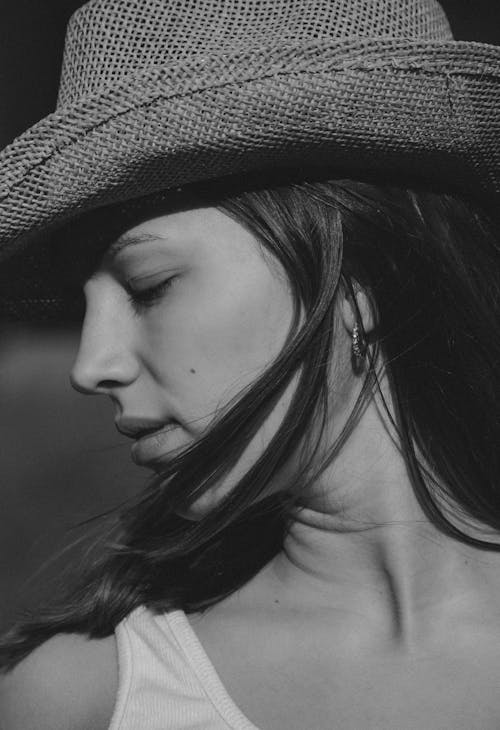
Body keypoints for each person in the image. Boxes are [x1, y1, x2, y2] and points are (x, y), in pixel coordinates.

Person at [0, 0, 499, 728]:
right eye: (83, 311)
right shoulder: (82, 696)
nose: (91, 365)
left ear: (355, 279)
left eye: (148, 287)